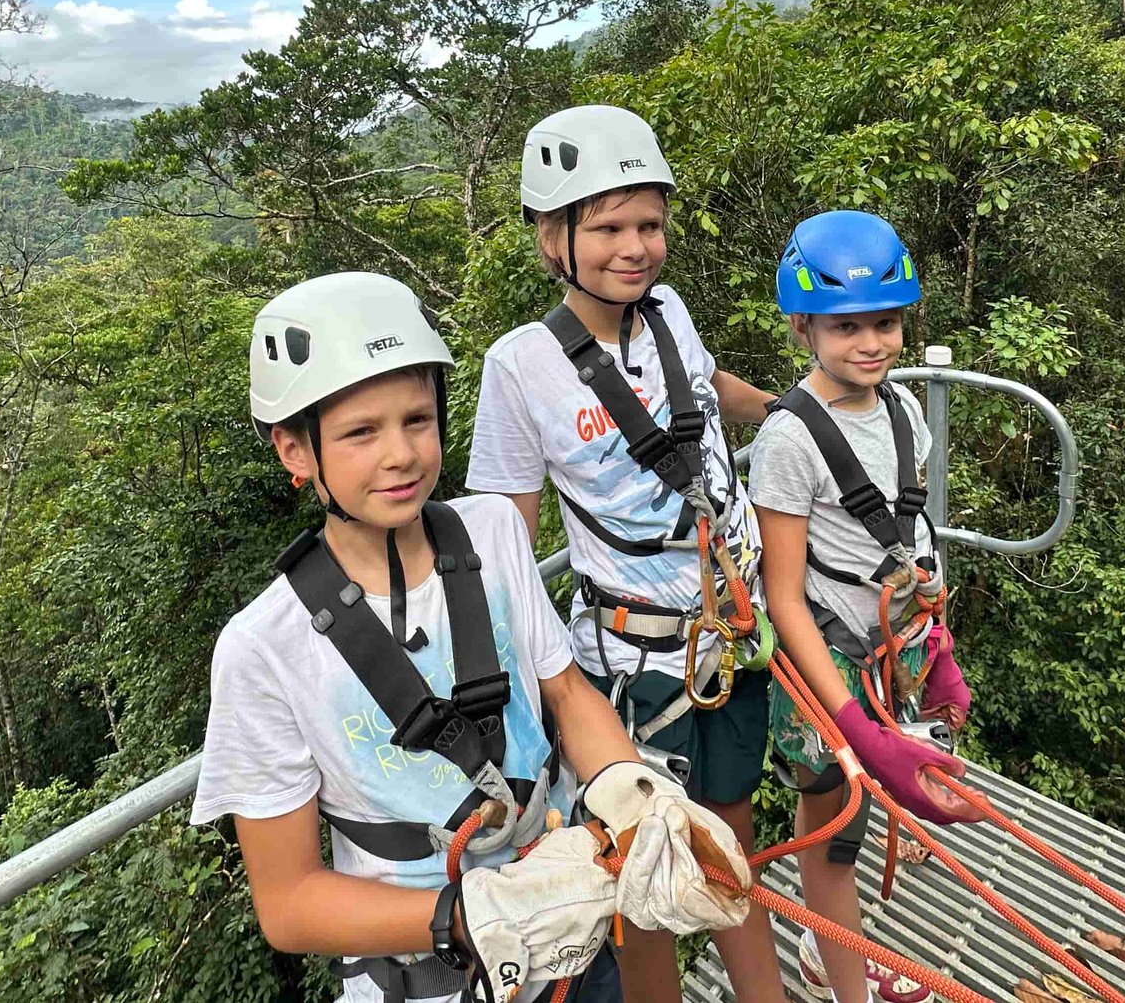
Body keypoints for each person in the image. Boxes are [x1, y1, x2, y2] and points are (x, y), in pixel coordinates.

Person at [192, 271, 751, 1003]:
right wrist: (467, 913)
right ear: (296, 451)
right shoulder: (265, 648)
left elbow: (566, 689)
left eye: (417, 420)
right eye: (361, 432)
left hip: (574, 944)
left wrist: (632, 792)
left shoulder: (490, 533)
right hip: (430, 980)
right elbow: (290, 902)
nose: (400, 455)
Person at [467, 105, 787, 1003]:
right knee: (643, 877)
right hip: (632, 667)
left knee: (728, 839)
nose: (635, 247)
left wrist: (789, 409)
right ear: (551, 237)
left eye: (649, 224)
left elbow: (705, 388)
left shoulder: (668, 313)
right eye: (607, 227)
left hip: (728, 636)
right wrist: (516, 679)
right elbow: (503, 532)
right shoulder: (521, 365)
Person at [748, 212, 981, 1003]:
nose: (871, 343)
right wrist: (848, 721)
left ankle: (822, 947)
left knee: (857, 816)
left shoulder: (899, 410)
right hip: (832, 661)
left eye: (885, 322)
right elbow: (782, 594)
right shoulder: (789, 439)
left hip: (894, 645)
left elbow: (912, 531)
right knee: (835, 819)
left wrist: (937, 642)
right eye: (847, 326)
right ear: (803, 327)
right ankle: (844, 980)